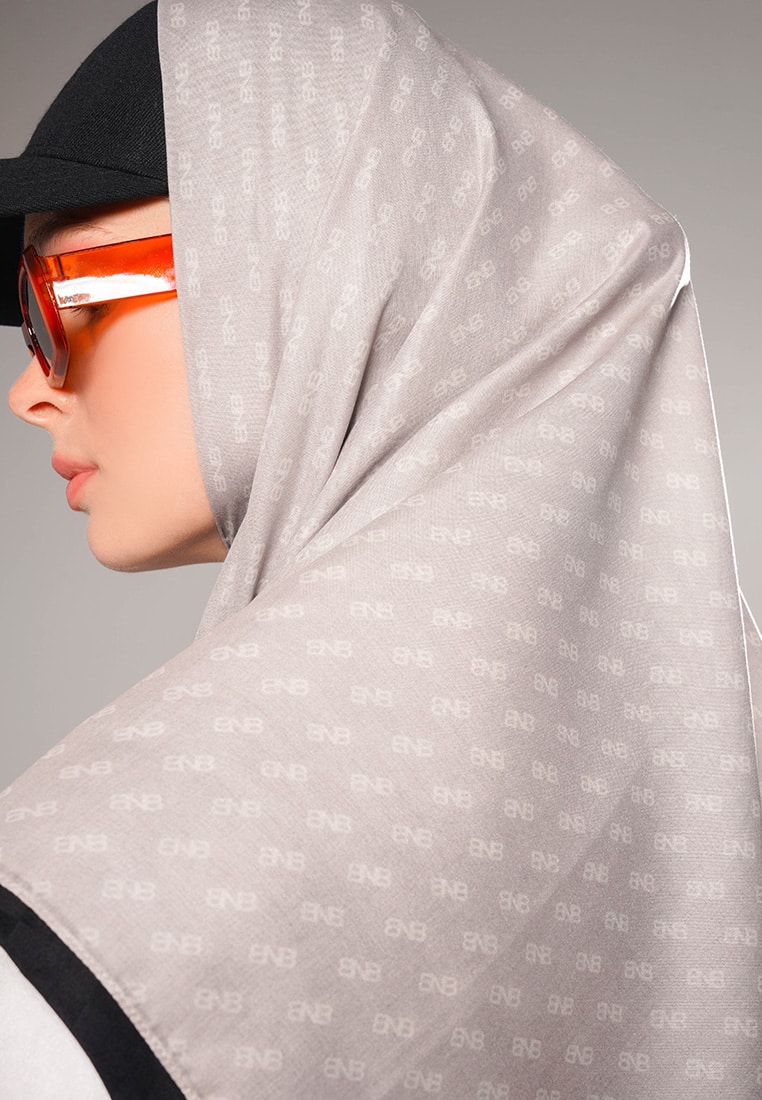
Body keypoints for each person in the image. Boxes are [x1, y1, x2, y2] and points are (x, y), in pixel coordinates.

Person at [1, 0, 761, 1097]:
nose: (27, 389)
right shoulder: (720, 799)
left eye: (52, 301)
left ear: (319, 263)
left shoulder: (95, 915)